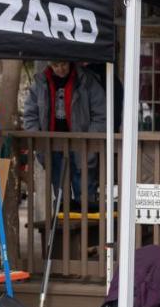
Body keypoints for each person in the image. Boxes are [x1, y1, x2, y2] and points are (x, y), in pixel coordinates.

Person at [23, 60, 106, 208]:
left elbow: (101, 115)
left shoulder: (87, 80)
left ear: (70, 63)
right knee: (60, 193)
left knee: (86, 193)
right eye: (55, 65)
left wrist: (90, 139)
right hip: (52, 144)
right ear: (49, 65)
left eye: (63, 64)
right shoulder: (40, 83)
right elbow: (30, 116)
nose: (60, 69)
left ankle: (87, 229)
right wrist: (38, 139)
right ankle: (63, 229)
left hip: (83, 143)